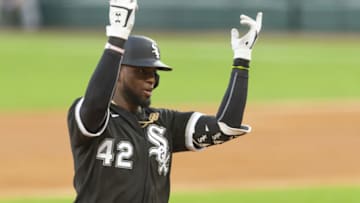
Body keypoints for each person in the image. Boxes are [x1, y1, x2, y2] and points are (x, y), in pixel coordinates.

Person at [67, 0, 262, 202]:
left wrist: (242, 59)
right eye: (141, 71)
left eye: (154, 73)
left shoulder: (163, 122)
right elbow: (96, 103)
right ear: (117, 72)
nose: (150, 78)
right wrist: (117, 37)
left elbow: (226, 126)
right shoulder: (95, 118)